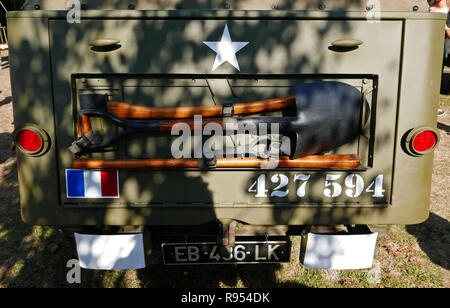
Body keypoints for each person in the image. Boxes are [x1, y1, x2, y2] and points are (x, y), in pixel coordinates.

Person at [429, 0, 449, 116]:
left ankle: (433, 106)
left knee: (436, 78)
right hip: (429, 47)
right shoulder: (430, 7)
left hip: (441, 49)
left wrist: (445, 26)